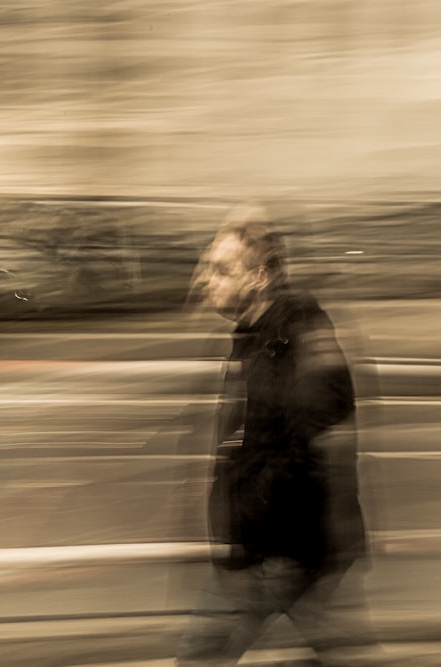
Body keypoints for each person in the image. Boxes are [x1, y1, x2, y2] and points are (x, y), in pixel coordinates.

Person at [176, 203, 376, 666]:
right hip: (278, 546)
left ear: (259, 276)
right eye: (208, 268)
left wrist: (254, 529)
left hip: (283, 546)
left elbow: (317, 438)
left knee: (200, 656)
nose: (208, 281)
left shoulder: (295, 337)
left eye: (222, 270)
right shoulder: (254, 338)